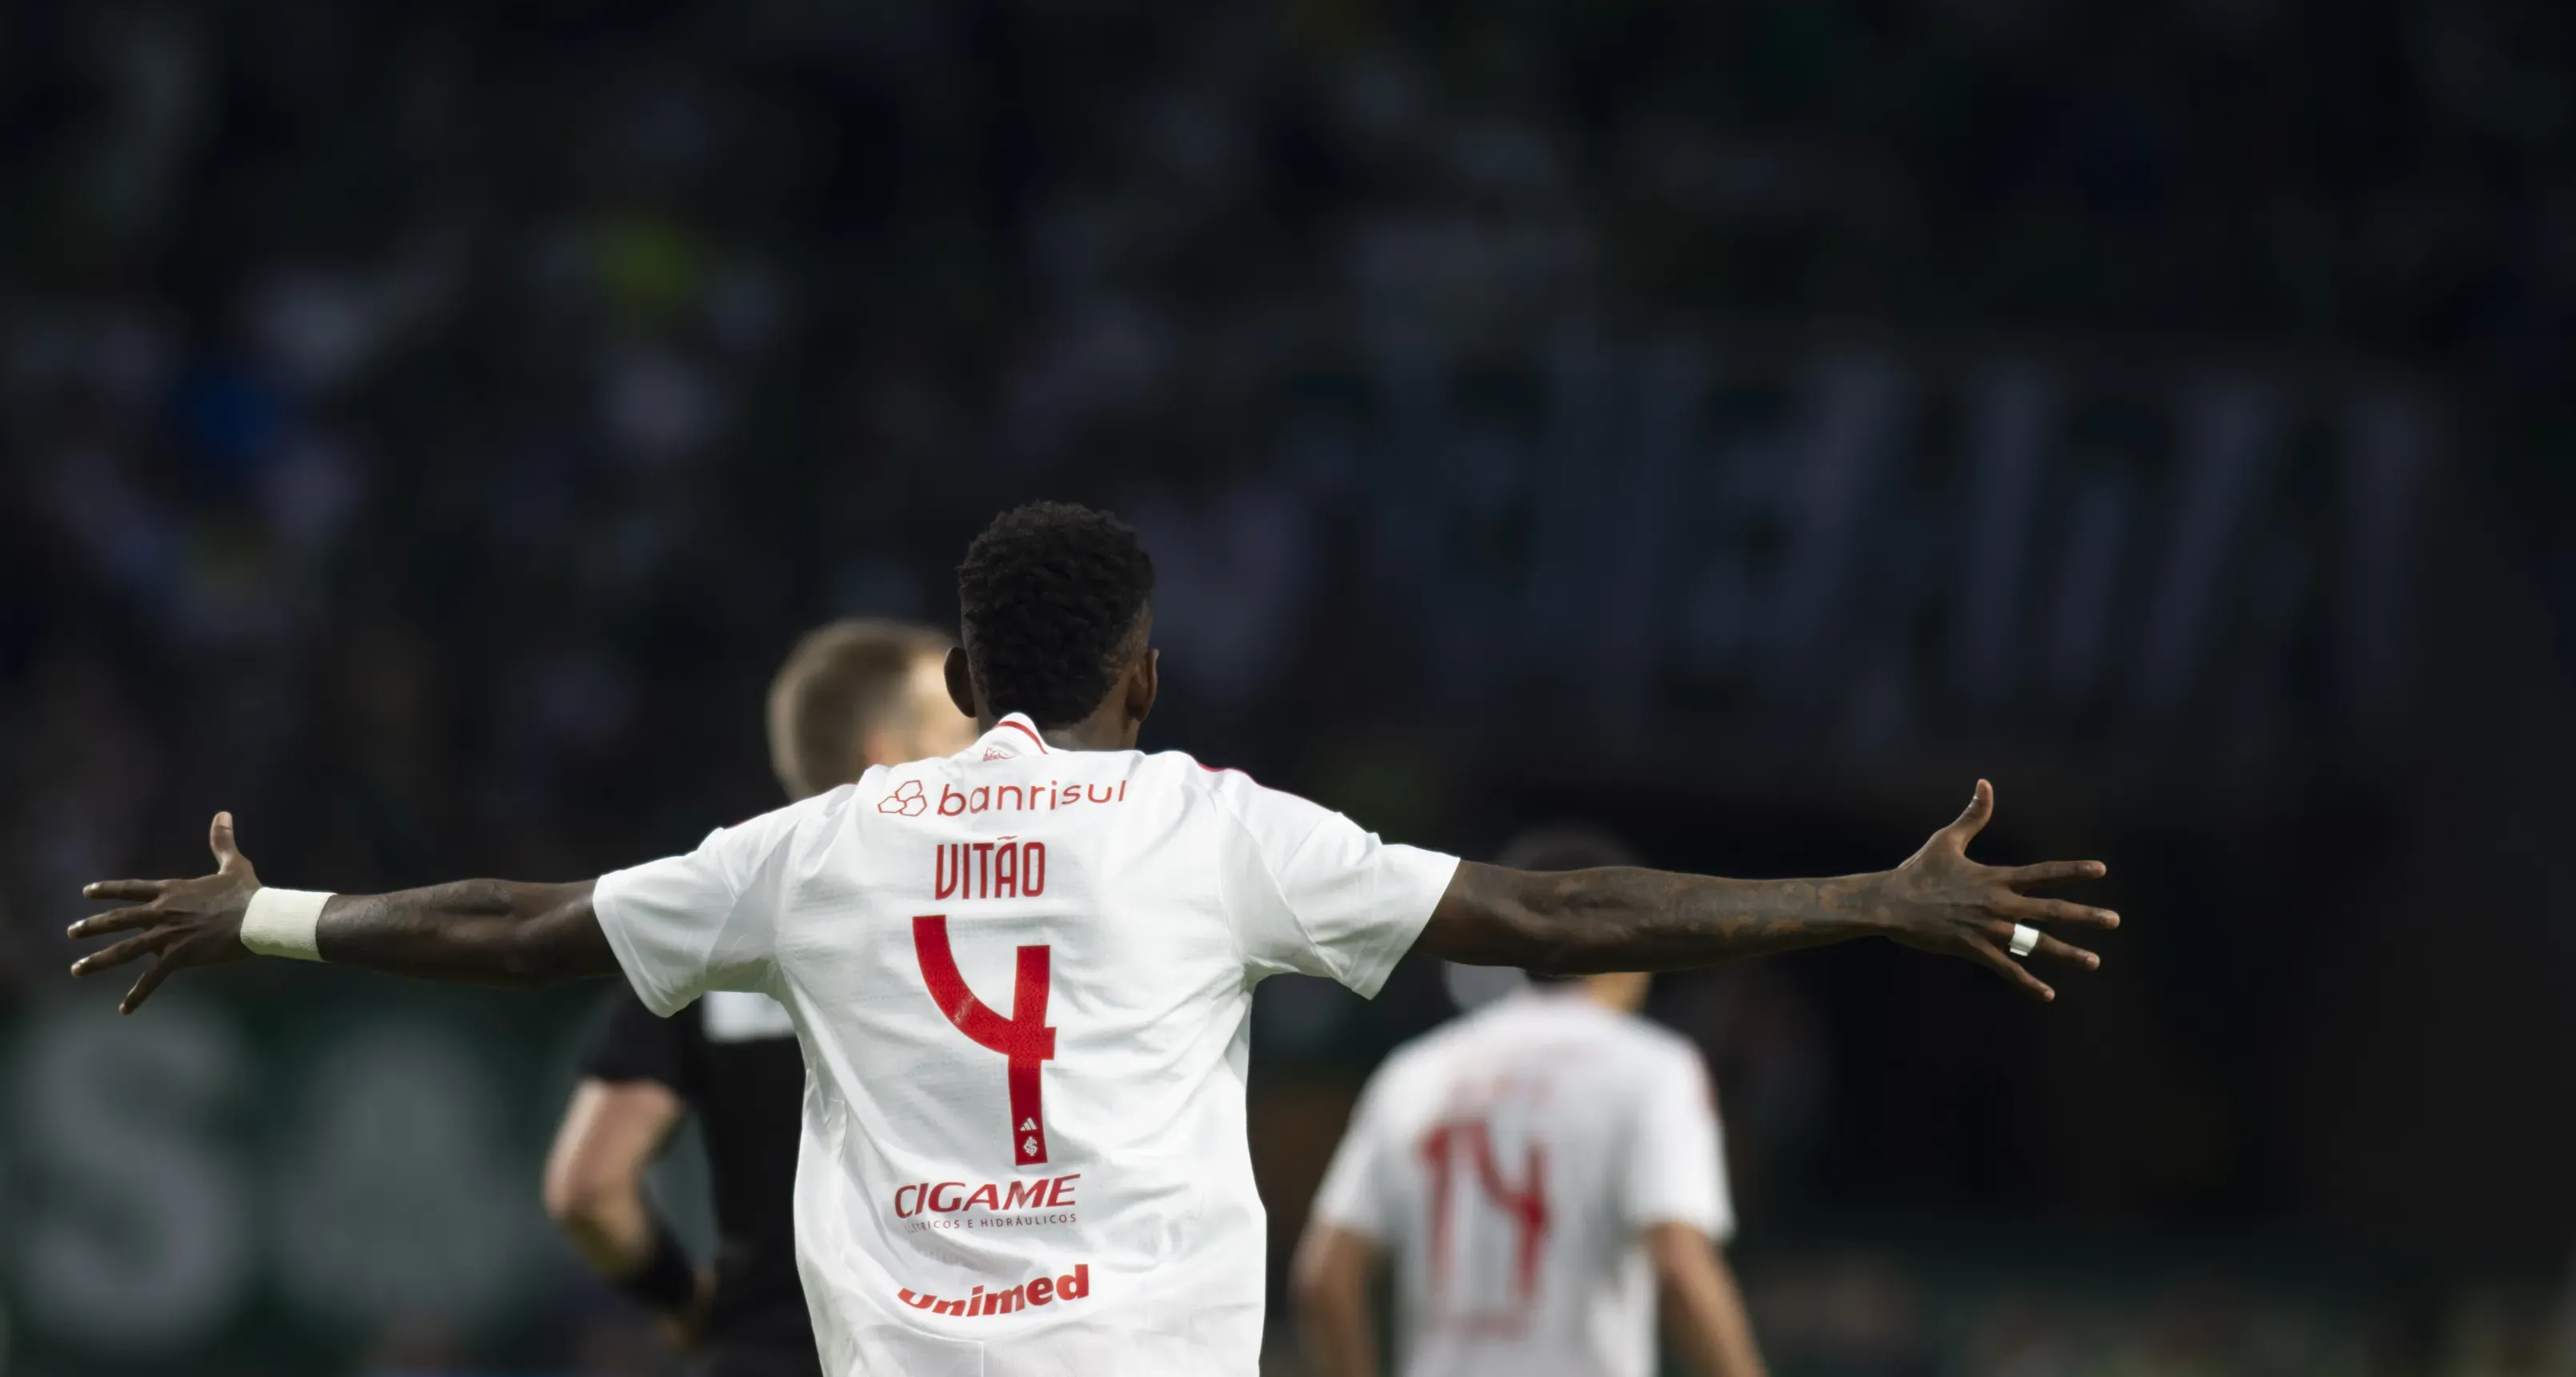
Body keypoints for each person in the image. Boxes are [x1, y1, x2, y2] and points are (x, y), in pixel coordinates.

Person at [67, 501, 2118, 1377]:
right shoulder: (1212, 831)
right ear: (1152, 662)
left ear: (958, 672)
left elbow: (525, 929)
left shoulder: (827, 845)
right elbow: (1553, 907)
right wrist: (1869, 897)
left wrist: (271, 913)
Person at [542, 618, 975, 1377]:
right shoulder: (999, 929)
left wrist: (684, 1302)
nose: (982, 760)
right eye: (956, 733)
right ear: (888, 758)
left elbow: (589, 1187)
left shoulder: (715, 936)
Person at [1294, 825, 1766, 1377]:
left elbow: (1324, 1277)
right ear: (1640, 937)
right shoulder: (1652, 1069)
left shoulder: (1416, 1071)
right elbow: (1682, 1267)